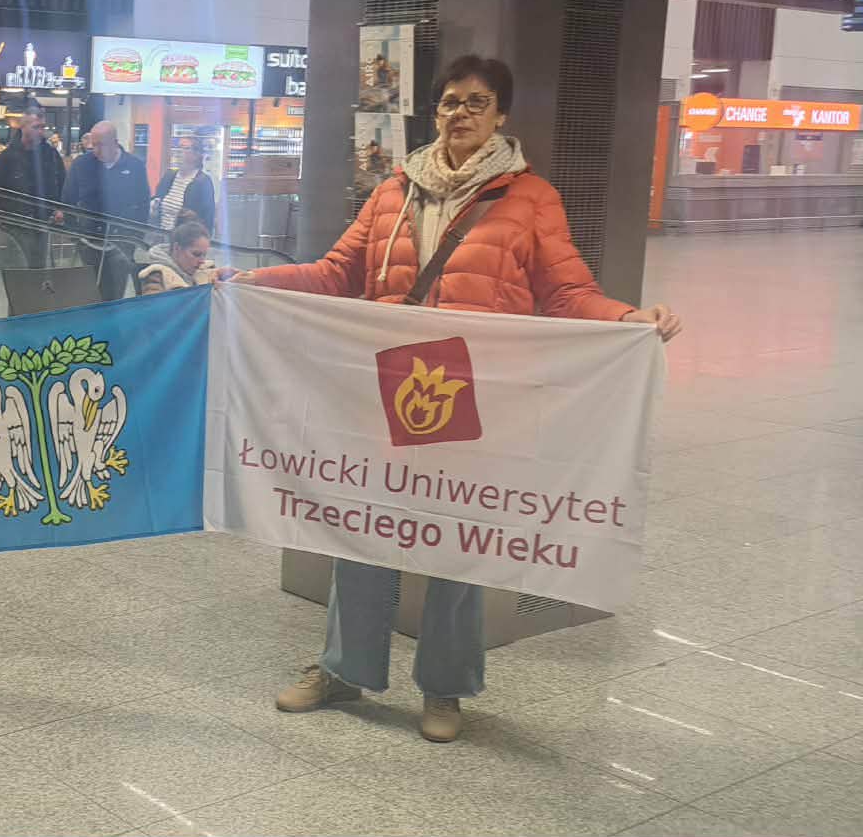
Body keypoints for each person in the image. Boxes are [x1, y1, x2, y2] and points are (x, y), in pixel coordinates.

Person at [233, 55, 681, 744]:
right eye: (449, 102)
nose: (460, 113)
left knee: (458, 539)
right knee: (362, 526)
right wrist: (253, 282)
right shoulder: (393, 191)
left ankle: (444, 685)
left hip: (475, 396)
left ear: (501, 115)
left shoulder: (531, 198)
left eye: (477, 102)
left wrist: (628, 319)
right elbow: (335, 273)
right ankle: (345, 667)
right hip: (387, 388)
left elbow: (566, 291)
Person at [62, 120, 150, 299]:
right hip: (88, 242)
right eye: (93, 144)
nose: (95, 150)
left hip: (122, 243)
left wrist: (134, 239)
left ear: (115, 142)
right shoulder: (81, 164)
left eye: (100, 145)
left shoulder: (135, 166)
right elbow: (67, 200)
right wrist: (75, 236)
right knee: (89, 295)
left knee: (114, 294)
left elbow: (143, 204)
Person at [0, 104, 67, 267]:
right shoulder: (7, 158)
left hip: (43, 224)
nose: (41, 131)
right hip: (14, 227)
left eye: (43, 127)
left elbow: (63, 183)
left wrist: (60, 208)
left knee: (39, 270)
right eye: (36, 127)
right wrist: (2, 220)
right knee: (17, 270)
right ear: (23, 127)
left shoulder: (51, 155)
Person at [137, 216, 232, 294]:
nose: (202, 261)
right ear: (177, 248)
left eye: (204, 255)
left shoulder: (210, 272)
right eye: (196, 254)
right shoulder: (157, 275)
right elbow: (154, 308)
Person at [152, 138, 218, 236]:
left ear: (196, 155)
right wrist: (154, 204)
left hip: (186, 238)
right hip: (161, 235)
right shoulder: (169, 175)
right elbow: (157, 198)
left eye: (185, 148)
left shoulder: (203, 182)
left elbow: (208, 218)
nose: (179, 151)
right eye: (178, 147)